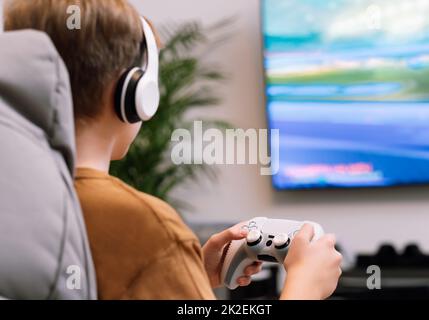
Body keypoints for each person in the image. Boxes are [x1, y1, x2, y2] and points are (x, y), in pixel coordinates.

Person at [4, 0, 342, 300]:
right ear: (135, 93)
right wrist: (304, 285)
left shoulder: (17, 200)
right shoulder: (138, 222)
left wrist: (188, 277)